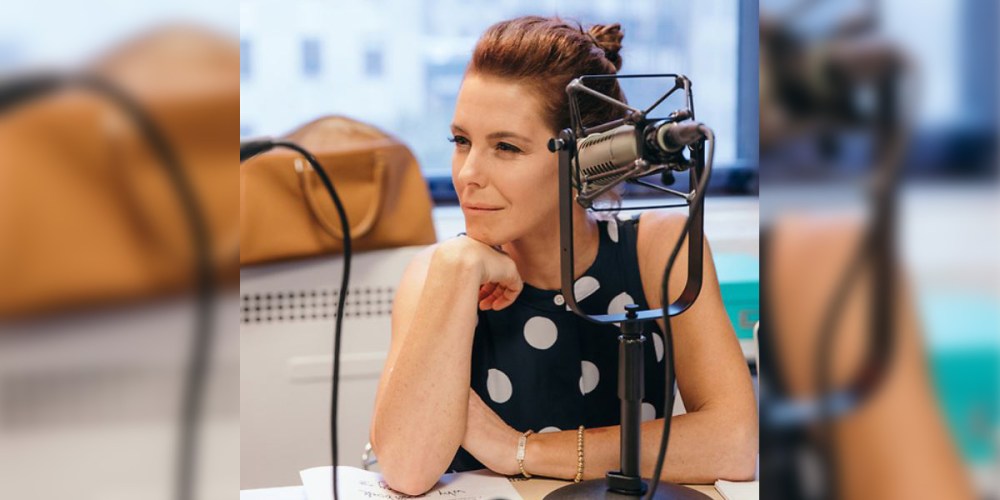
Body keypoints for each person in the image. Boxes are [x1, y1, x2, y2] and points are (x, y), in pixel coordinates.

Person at [370, 16, 757, 495]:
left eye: (506, 147)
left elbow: (735, 442)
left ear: (588, 159)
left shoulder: (658, 249)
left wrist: (521, 451)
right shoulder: (438, 273)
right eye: (461, 141)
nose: (468, 173)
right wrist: (458, 266)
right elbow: (405, 470)